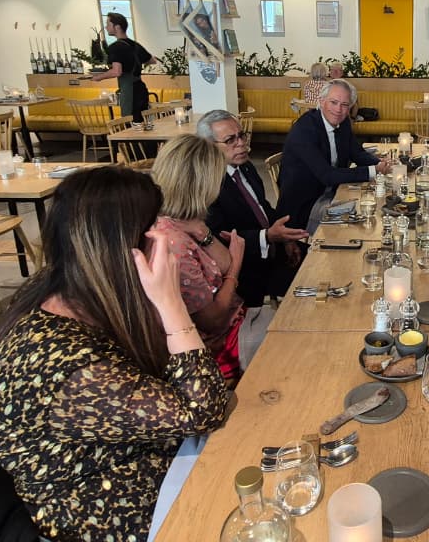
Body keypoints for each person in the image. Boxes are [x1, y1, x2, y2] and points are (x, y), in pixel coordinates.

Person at [0, 166, 232, 542]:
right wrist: (171, 304)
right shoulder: (61, 366)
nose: (166, 236)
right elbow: (202, 409)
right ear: (122, 248)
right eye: (154, 228)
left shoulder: (69, 288)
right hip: (117, 515)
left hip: (155, 463)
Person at [196, 109, 309, 351]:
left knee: (322, 258)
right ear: (209, 147)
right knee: (313, 279)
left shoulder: (246, 168)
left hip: (271, 248)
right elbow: (220, 238)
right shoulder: (208, 186)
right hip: (246, 269)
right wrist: (268, 236)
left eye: (242, 136)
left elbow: (264, 207)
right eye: (230, 140)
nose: (241, 144)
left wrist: (285, 238)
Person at [150, 134, 248, 385]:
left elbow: (224, 262)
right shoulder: (173, 242)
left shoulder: (185, 221)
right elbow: (213, 321)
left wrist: (204, 233)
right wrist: (234, 271)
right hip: (217, 349)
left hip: (235, 323)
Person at [275, 79, 393, 231]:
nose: (338, 109)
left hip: (333, 192)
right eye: (333, 102)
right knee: (365, 219)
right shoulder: (305, 129)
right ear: (321, 101)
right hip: (305, 206)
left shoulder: (342, 123)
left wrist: (380, 162)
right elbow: (327, 175)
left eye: (344, 105)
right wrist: (373, 170)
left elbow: (356, 153)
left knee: (377, 207)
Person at [85, 12, 156, 122]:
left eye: (108, 24)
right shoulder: (135, 45)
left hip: (129, 92)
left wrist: (98, 77)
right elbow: (152, 60)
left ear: (117, 27)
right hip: (141, 89)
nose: (106, 27)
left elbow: (116, 71)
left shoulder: (115, 47)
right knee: (142, 123)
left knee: (130, 124)